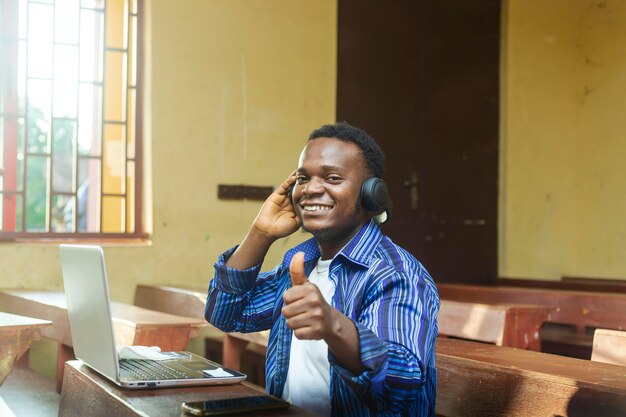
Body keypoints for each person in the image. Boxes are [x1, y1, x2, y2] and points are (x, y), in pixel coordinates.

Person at [205, 122, 440, 417]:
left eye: (332, 177)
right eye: (303, 178)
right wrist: (261, 232)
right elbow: (225, 314)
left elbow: (402, 384)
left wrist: (333, 326)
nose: (312, 189)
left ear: (371, 195)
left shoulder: (395, 274)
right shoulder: (301, 262)